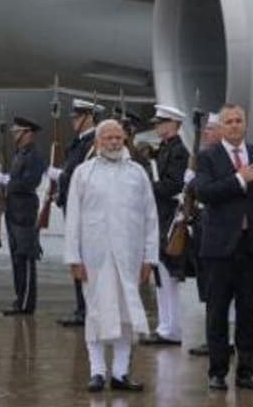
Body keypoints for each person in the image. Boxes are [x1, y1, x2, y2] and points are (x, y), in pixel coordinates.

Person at [64, 119, 159, 393]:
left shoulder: (137, 174)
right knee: (95, 313)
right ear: (98, 142)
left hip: (129, 257)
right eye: (109, 138)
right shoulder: (84, 173)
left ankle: (120, 373)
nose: (115, 142)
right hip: (94, 258)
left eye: (119, 138)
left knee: (126, 314)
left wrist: (148, 258)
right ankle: (96, 371)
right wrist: (74, 258)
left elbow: (150, 218)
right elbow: (73, 219)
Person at [192, 104, 253, 392]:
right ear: (220, 127)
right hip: (219, 249)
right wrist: (239, 179)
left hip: (252, 248)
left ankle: (245, 372)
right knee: (217, 312)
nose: (233, 125)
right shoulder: (208, 157)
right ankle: (217, 372)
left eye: (238, 120)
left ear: (245, 124)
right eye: (228, 121)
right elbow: (204, 192)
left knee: (247, 313)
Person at [142, 104, 189, 347]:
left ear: (174, 124)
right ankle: (165, 325)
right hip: (160, 214)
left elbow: (172, 185)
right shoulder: (166, 149)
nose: (158, 126)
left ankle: (172, 328)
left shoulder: (178, 151)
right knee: (160, 273)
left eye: (162, 123)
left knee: (168, 274)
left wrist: (148, 185)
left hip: (168, 215)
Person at [53, 99, 100, 327]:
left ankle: (87, 309)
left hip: (83, 211)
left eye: (77, 116)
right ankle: (81, 307)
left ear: (88, 117)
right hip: (72, 208)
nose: (73, 121)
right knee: (76, 258)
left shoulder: (93, 144)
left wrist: (62, 178)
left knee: (84, 260)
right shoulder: (79, 143)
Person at [3, 116, 46, 316]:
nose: (14, 135)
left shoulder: (33, 156)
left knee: (26, 256)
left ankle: (26, 302)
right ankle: (20, 298)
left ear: (27, 133)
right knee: (16, 257)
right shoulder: (19, 154)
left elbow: (31, 182)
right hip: (13, 209)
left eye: (17, 131)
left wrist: (9, 183)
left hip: (25, 210)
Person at [187, 110, 221, 359]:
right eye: (206, 129)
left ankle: (220, 340)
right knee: (207, 287)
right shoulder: (204, 156)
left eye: (211, 128)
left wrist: (192, 183)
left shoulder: (221, 159)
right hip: (201, 226)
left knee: (217, 289)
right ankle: (212, 338)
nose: (207, 133)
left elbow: (208, 190)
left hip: (215, 228)